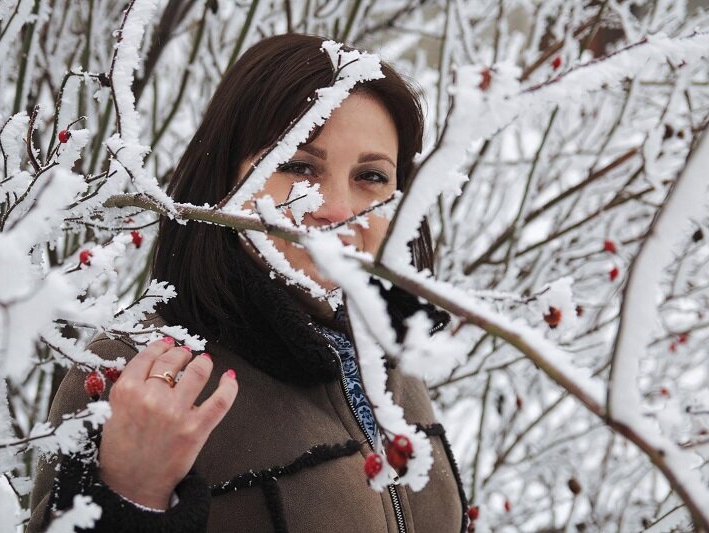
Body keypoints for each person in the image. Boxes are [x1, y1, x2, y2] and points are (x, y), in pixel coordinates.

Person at [27, 33, 468, 533]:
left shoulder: (389, 357)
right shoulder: (140, 374)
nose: (339, 210)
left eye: (371, 176)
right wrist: (131, 498)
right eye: (299, 166)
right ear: (225, 181)